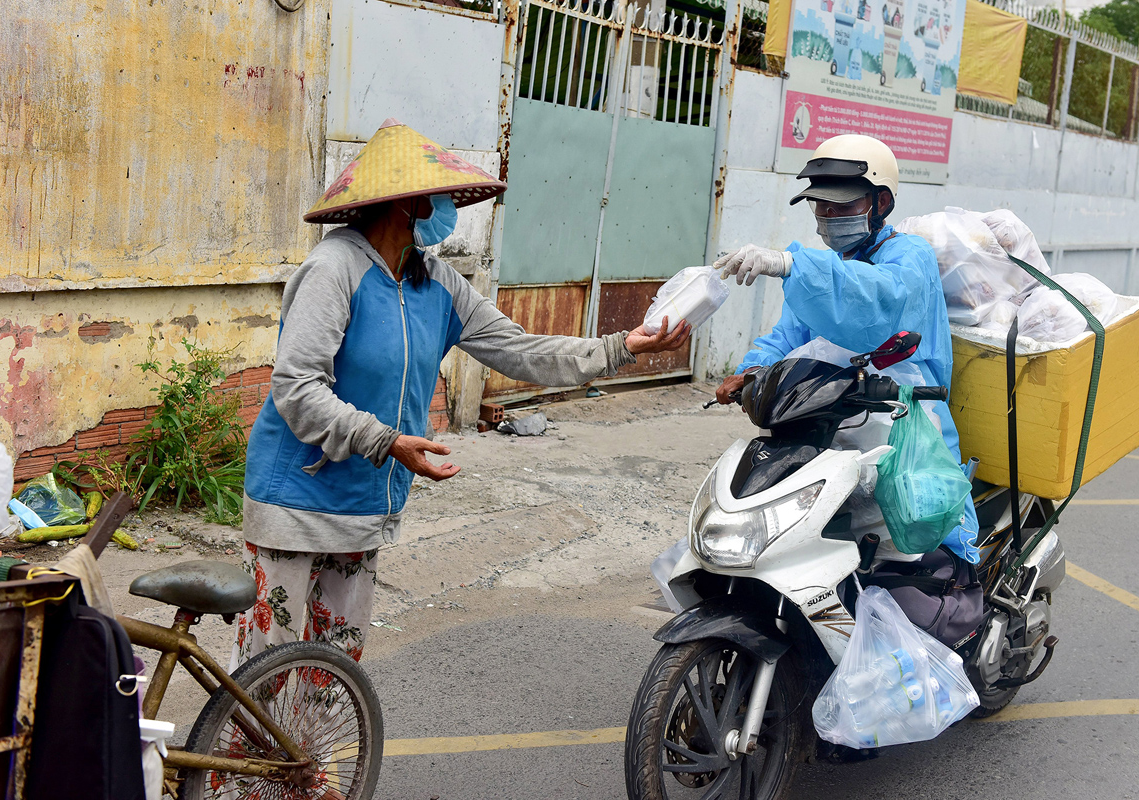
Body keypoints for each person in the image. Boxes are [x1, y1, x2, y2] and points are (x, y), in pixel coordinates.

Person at [232, 120, 690, 667]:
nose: (448, 209)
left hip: (363, 505)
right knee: (265, 672)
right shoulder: (334, 269)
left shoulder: (437, 283)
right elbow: (298, 388)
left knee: (335, 672)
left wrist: (620, 347)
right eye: (441, 197)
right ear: (410, 205)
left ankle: (316, 758)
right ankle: (244, 756)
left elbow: (518, 350)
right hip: (294, 503)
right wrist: (385, 440)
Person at [711, 133, 979, 562]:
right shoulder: (826, 270)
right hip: (829, 416)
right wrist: (751, 371)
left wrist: (791, 263)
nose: (828, 215)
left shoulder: (909, 256)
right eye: (821, 204)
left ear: (882, 204)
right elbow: (790, 338)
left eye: (841, 204)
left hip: (903, 418)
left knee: (924, 540)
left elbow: (879, 301)